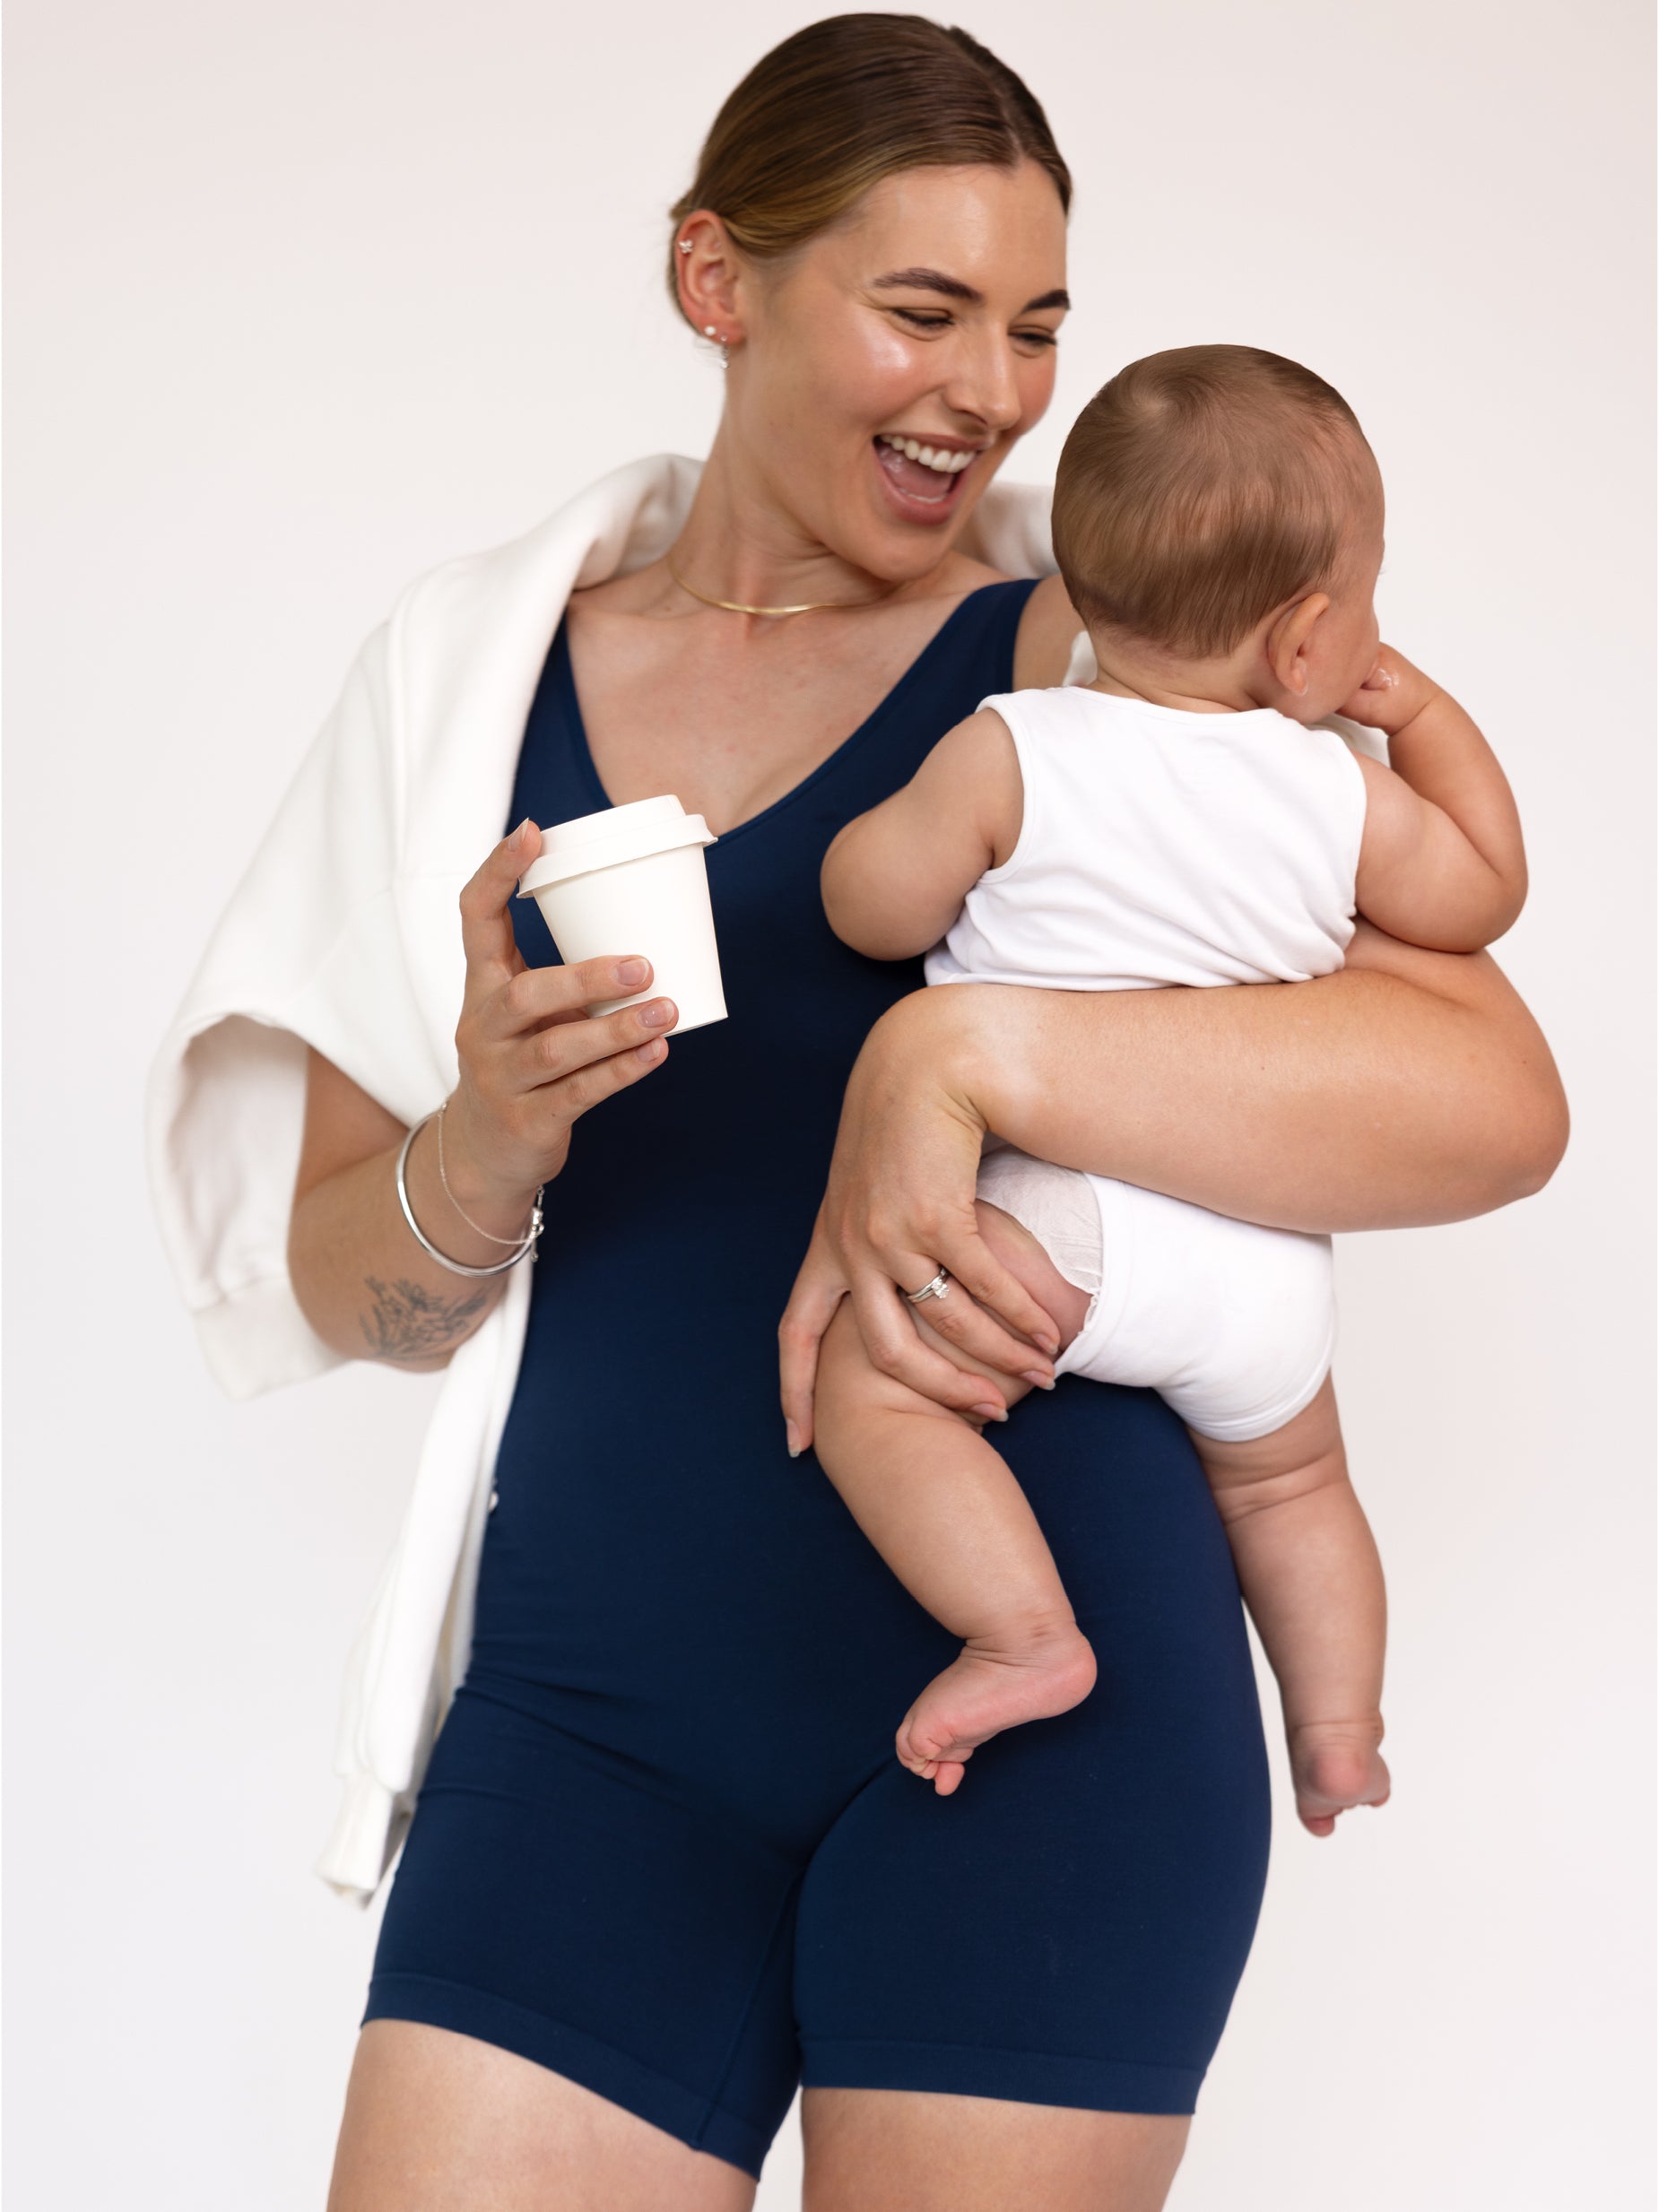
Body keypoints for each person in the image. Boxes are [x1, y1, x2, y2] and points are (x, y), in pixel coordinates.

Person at [142, 17, 1565, 2211]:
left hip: (1059, 1708)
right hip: (593, 1715)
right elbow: (346, 1289)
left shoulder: (1093, 659)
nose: (990, 390)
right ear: (720, 282)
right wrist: (481, 1146)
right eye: (921, 310)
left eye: (1033, 329)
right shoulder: (467, 674)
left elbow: (1494, 1098)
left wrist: (957, 1055)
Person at [812, 343, 1527, 1832]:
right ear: (1304, 640)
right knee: (1290, 1489)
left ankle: (1020, 1633)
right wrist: (1428, 721)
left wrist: (882, 852)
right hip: (1262, 1258)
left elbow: (870, 909)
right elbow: (1476, 897)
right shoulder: (1336, 789)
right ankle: (1336, 1733)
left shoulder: (1014, 747)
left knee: (867, 1382)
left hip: (1065, 1228)